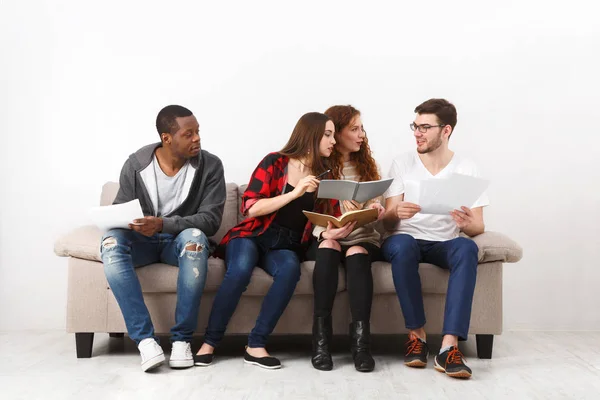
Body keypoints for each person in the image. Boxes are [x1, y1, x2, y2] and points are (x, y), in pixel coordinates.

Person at [194, 112, 339, 369]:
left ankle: (256, 344)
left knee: (290, 270)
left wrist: (335, 228)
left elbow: (324, 220)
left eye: (333, 135)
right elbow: (251, 207)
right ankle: (210, 342)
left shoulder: (325, 176)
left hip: (287, 244)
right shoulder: (274, 163)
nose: (333, 141)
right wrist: (295, 193)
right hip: (254, 234)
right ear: (311, 136)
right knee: (239, 270)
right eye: (328, 134)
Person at [100, 105, 226, 372]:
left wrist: (162, 225)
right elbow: (121, 208)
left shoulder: (210, 165)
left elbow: (211, 221)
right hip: (142, 243)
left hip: (178, 243)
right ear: (167, 138)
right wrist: (130, 223)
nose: (197, 139)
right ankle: (145, 341)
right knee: (110, 242)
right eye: (188, 134)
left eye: (198, 132)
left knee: (196, 239)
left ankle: (182, 340)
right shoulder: (136, 165)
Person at [381, 98, 489, 379]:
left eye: (425, 127)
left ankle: (448, 347)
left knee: (466, 247)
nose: (417, 132)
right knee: (402, 245)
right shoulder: (402, 163)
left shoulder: (467, 167)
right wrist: (395, 212)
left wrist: (467, 223)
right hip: (406, 238)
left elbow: (478, 226)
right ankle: (416, 337)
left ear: (446, 130)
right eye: (415, 126)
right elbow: (388, 222)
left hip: (445, 242)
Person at [308, 105, 385, 372]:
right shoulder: (318, 167)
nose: (361, 134)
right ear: (336, 134)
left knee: (357, 254)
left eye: (362, 128)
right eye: (354, 129)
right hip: (330, 235)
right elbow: (307, 216)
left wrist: (376, 210)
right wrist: (325, 233)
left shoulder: (368, 166)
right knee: (329, 247)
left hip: (363, 237)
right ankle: (321, 344)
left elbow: (376, 206)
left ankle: (362, 346)